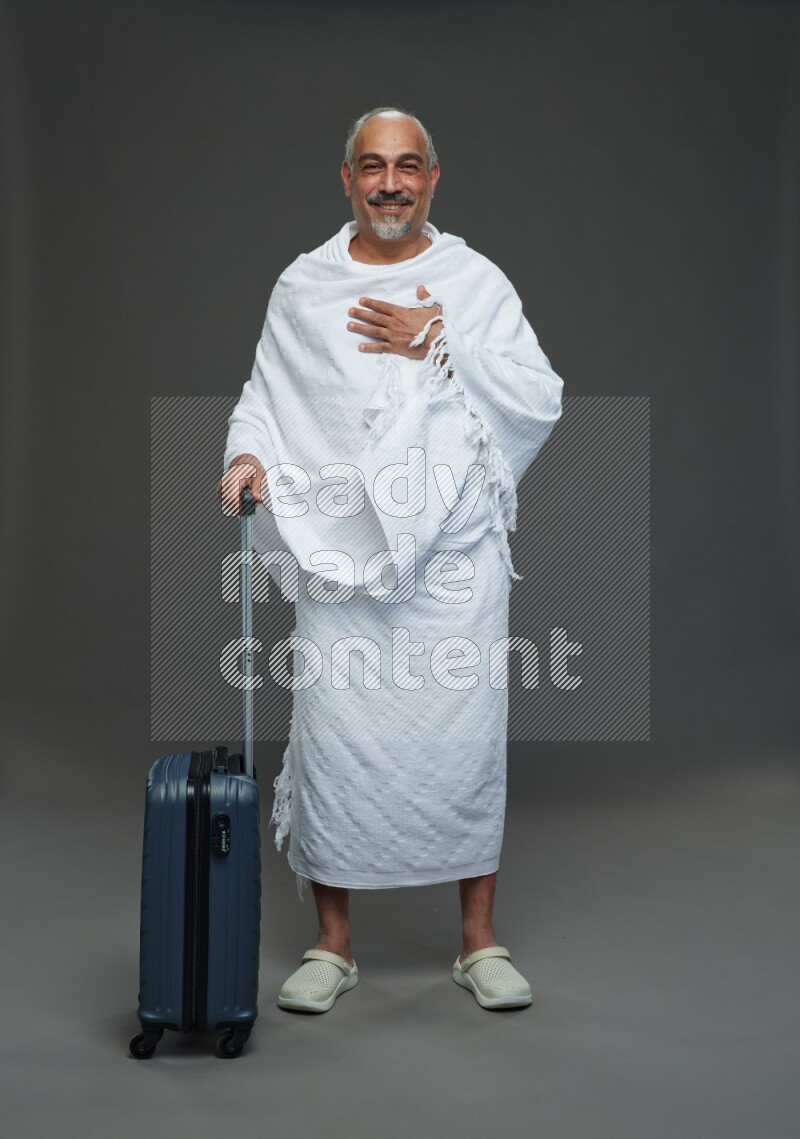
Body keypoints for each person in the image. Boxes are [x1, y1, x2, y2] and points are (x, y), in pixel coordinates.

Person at [217, 106, 564, 1013]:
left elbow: (536, 395)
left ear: (434, 177)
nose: (391, 184)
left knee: (460, 739)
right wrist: (247, 454)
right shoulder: (303, 285)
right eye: (372, 166)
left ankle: (478, 941)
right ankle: (332, 944)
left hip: (454, 558)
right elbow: (264, 392)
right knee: (338, 740)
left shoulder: (472, 281)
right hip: (342, 553)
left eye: (408, 166)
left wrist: (439, 343)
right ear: (346, 179)